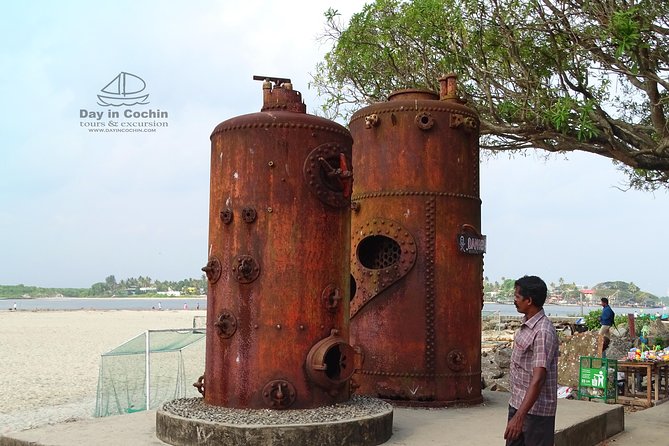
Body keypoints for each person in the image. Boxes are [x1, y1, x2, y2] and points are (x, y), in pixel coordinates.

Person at [504, 275, 559, 446]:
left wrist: (520, 417)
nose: (514, 300)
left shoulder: (543, 331)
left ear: (529, 301)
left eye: (517, 296)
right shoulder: (527, 325)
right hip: (518, 405)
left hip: (535, 414)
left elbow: (539, 378)